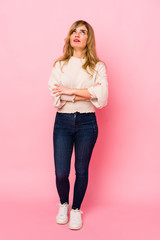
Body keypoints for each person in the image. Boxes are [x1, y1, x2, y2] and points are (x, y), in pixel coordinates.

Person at [48, 20, 108, 230]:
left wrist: (70, 91)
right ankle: (64, 204)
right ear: (69, 36)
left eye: (83, 32)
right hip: (63, 122)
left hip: (87, 122)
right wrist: (87, 93)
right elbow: (56, 94)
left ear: (88, 39)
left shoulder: (97, 66)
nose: (77, 34)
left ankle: (76, 209)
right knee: (61, 173)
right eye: (74, 30)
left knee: (81, 170)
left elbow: (102, 96)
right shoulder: (59, 65)